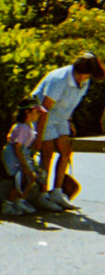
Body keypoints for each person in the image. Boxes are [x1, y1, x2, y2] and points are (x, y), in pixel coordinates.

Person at [31, 51, 105, 212]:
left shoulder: (85, 81)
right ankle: (42, 195)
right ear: (75, 70)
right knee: (47, 153)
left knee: (66, 152)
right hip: (44, 115)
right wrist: (39, 136)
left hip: (60, 117)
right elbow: (44, 109)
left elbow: (70, 103)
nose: (82, 79)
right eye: (81, 75)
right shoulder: (59, 80)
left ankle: (57, 192)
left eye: (86, 76)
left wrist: (68, 121)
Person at [1, 97, 45, 216]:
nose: (39, 115)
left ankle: (21, 200)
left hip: (22, 154)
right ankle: (9, 204)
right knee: (21, 180)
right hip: (15, 157)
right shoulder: (22, 127)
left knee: (31, 178)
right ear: (27, 112)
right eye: (36, 112)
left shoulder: (28, 126)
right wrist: (25, 166)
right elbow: (17, 147)